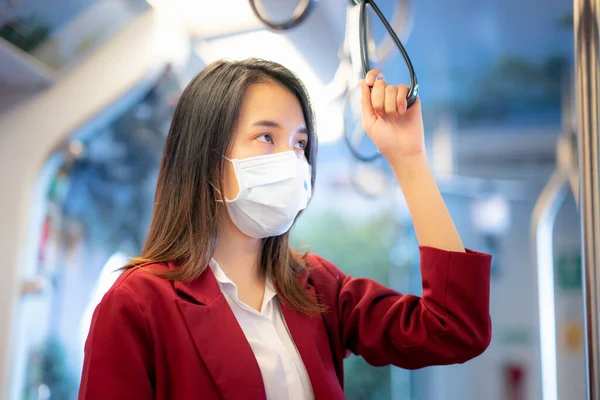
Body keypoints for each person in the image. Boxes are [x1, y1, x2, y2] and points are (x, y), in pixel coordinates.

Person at [78, 58, 492, 400]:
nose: (292, 160)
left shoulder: (314, 285)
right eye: (265, 137)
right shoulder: (137, 304)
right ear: (204, 156)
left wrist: (409, 158)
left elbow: (454, 328)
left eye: (299, 143)